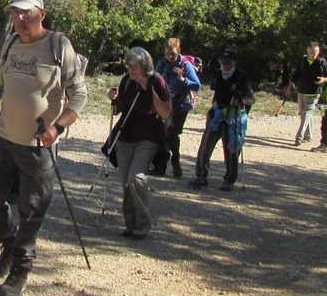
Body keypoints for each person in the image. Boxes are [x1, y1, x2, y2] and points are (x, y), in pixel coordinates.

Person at [0, 0, 88, 296]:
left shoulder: (59, 45)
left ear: (41, 14)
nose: (19, 19)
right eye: (14, 13)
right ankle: (9, 246)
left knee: (31, 208)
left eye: (25, 13)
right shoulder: (12, 44)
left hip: (38, 145)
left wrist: (57, 127)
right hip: (4, 137)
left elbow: (79, 94)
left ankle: (21, 268)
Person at [108, 47, 171, 239]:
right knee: (126, 181)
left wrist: (149, 91)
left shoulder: (156, 80)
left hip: (148, 137)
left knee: (137, 178)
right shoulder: (127, 81)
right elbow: (120, 108)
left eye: (135, 66)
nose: (132, 70)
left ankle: (143, 224)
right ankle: (131, 225)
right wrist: (114, 99)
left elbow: (166, 112)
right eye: (129, 66)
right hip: (125, 136)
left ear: (145, 66)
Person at [190, 48, 255, 192]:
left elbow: (251, 99)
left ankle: (229, 180)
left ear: (234, 62)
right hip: (217, 113)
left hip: (233, 116)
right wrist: (212, 112)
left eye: (227, 63)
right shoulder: (218, 74)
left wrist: (241, 101)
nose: (224, 65)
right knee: (205, 145)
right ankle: (201, 175)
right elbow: (216, 93)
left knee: (231, 149)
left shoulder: (241, 77)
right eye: (222, 62)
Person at [152, 37, 201, 176]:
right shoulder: (161, 65)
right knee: (161, 133)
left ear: (179, 51)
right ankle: (160, 166)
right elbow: (154, 80)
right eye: (167, 53)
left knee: (171, 133)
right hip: (164, 103)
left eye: (173, 53)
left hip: (181, 105)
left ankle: (175, 160)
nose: (170, 56)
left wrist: (183, 79)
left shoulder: (186, 65)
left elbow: (197, 85)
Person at [288, 42, 327, 146]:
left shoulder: (322, 62)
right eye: (310, 53)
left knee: (306, 114)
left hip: (314, 93)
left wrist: (323, 80)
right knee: (303, 114)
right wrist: (290, 87)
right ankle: (309, 136)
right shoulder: (303, 60)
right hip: (301, 91)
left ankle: (299, 137)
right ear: (307, 52)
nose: (312, 55)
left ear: (318, 52)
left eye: (314, 53)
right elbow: (296, 74)